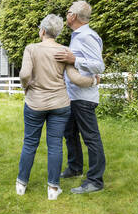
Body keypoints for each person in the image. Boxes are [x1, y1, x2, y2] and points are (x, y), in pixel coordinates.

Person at [16, 14, 98, 200]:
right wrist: (93, 80)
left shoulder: (31, 49)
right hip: (60, 105)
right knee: (55, 146)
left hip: (35, 103)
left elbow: (24, 74)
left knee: (30, 143)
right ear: (57, 33)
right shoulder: (64, 51)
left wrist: (25, 86)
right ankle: (53, 189)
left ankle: (21, 184)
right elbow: (76, 79)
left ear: (43, 31)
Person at [54, 0, 106, 194]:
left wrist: (74, 59)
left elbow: (99, 66)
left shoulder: (87, 36)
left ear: (73, 16)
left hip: (84, 98)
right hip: (72, 96)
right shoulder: (77, 37)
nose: (66, 15)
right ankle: (75, 167)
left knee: (91, 138)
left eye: (68, 12)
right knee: (70, 134)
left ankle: (95, 180)